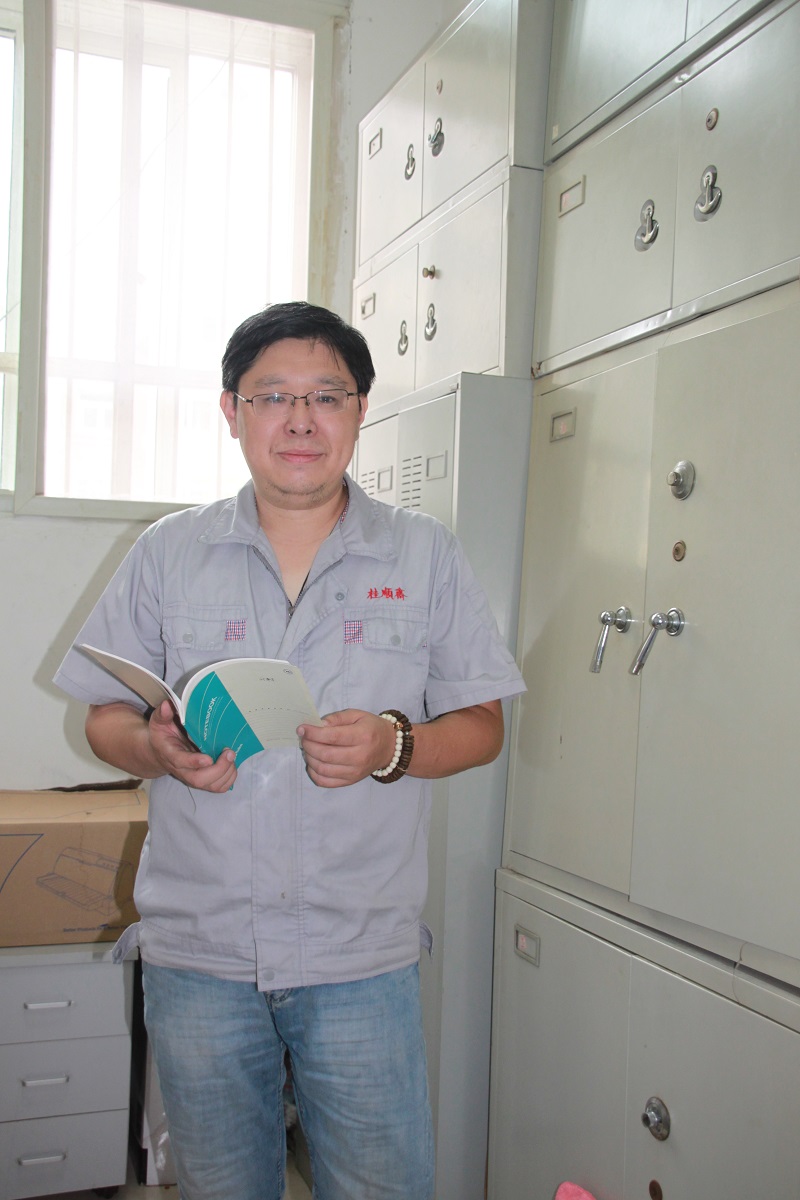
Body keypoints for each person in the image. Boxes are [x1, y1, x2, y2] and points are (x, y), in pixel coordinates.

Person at [54, 301, 525, 1200]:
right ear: (231, 412)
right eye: (273, 396)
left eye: (326, 396)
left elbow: (483, 726)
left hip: (359, 956)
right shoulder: (167, 552)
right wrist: (156, 747)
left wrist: (393, 744)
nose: (300, 420)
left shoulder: (424, 555)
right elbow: (103, 719)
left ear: (360, 412)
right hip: (201, 953)